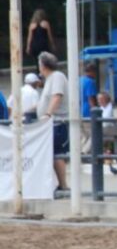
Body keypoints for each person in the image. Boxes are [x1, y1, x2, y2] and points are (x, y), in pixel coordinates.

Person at [37, 51, 70, 190]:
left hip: (57, 121)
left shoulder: (56, 76)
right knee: (52, 153)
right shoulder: (50, 79)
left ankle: (63, 185)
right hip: (51, 122)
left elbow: (57, 96)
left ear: (43, 65)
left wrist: (48, 114)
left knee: (57, 153)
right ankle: (58, 184)